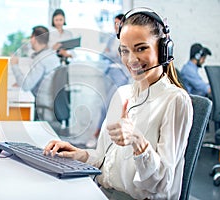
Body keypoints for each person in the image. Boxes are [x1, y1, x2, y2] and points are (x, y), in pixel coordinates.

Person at [43, 7, 193, 199]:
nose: (131, 60)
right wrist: (79, 155)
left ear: (164, 50)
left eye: (141, 48)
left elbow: (162, 184)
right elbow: (105, 159)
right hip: (103, 192)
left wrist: (137, 142)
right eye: (124, 50)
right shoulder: (123, 94)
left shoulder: (175, 100)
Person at [86, 14, 132, 148]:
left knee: (108, 106)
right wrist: (112, 53)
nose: (116, 26)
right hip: (109, 74)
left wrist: (113, 53)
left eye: (118, 24)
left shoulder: (127, 38)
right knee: (106, 106)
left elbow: (120, 55)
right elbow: (105, 54)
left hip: (121, 77)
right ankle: (101, 138)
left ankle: (98, 136)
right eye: (114, 23)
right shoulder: (112, 38)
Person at [10, 25, 61, 121]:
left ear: (33, 39)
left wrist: (14, 65)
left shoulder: (40, 59)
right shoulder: (53, 56)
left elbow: (26, 86)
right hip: (54, 105)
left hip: (44, 107)